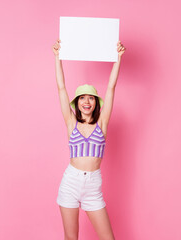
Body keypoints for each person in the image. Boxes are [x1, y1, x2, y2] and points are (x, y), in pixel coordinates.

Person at [52, 38, 126, 240]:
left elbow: (111, 88)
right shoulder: (71, 123)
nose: (86, 101)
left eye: (91, 97)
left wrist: (118, 58)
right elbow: (61, 88)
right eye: (82, 97)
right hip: (71, 183)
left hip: (93, 187)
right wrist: (58, 57)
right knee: (71, 238)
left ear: (95, 103)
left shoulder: (102, 124)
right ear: (77, 103)